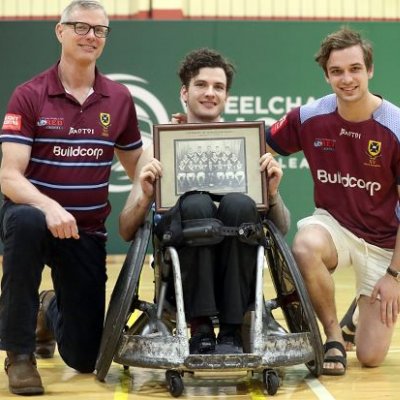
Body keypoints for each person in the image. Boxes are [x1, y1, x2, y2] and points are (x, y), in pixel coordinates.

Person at [0, 0, 143, 395]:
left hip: (86, 231)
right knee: (25, 220)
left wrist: (167, 161)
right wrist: (48, 206)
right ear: (60, 32)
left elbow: (137, 166)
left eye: (99, 30)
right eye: (80, 27)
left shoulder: (118, 98)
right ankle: (20, 354)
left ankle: (49, 307)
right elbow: (9, 176)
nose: (90, 36)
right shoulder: (29, 95)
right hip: (36, 218)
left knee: (84, 358)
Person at [119, 48, 290, 355]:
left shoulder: (250, 147)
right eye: (201, 85)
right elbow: (126, 228)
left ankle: (231, 331)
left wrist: (273, 193)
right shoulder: (159, 148)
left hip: (236, 259)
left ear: (226, 97)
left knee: (238, 204)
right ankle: (199, 328)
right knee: (195, 203)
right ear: (185, 92)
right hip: (181, 256)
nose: (210, 93)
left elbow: (283, 227)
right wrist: (146, 196)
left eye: (219, 87)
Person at [263, 27, 400, 376]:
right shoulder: (309, 117)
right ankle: (334, 336)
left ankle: (358, 314)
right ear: (326, 75)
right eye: (337, 71)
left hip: (385, 244)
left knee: (370, 357)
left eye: (355, 69)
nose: (347, 78)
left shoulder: (395, 126)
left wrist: (394, 276)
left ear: (369, 70)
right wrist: (192, 129)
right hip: (334, 225)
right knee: (305, 246)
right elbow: (254, 144)